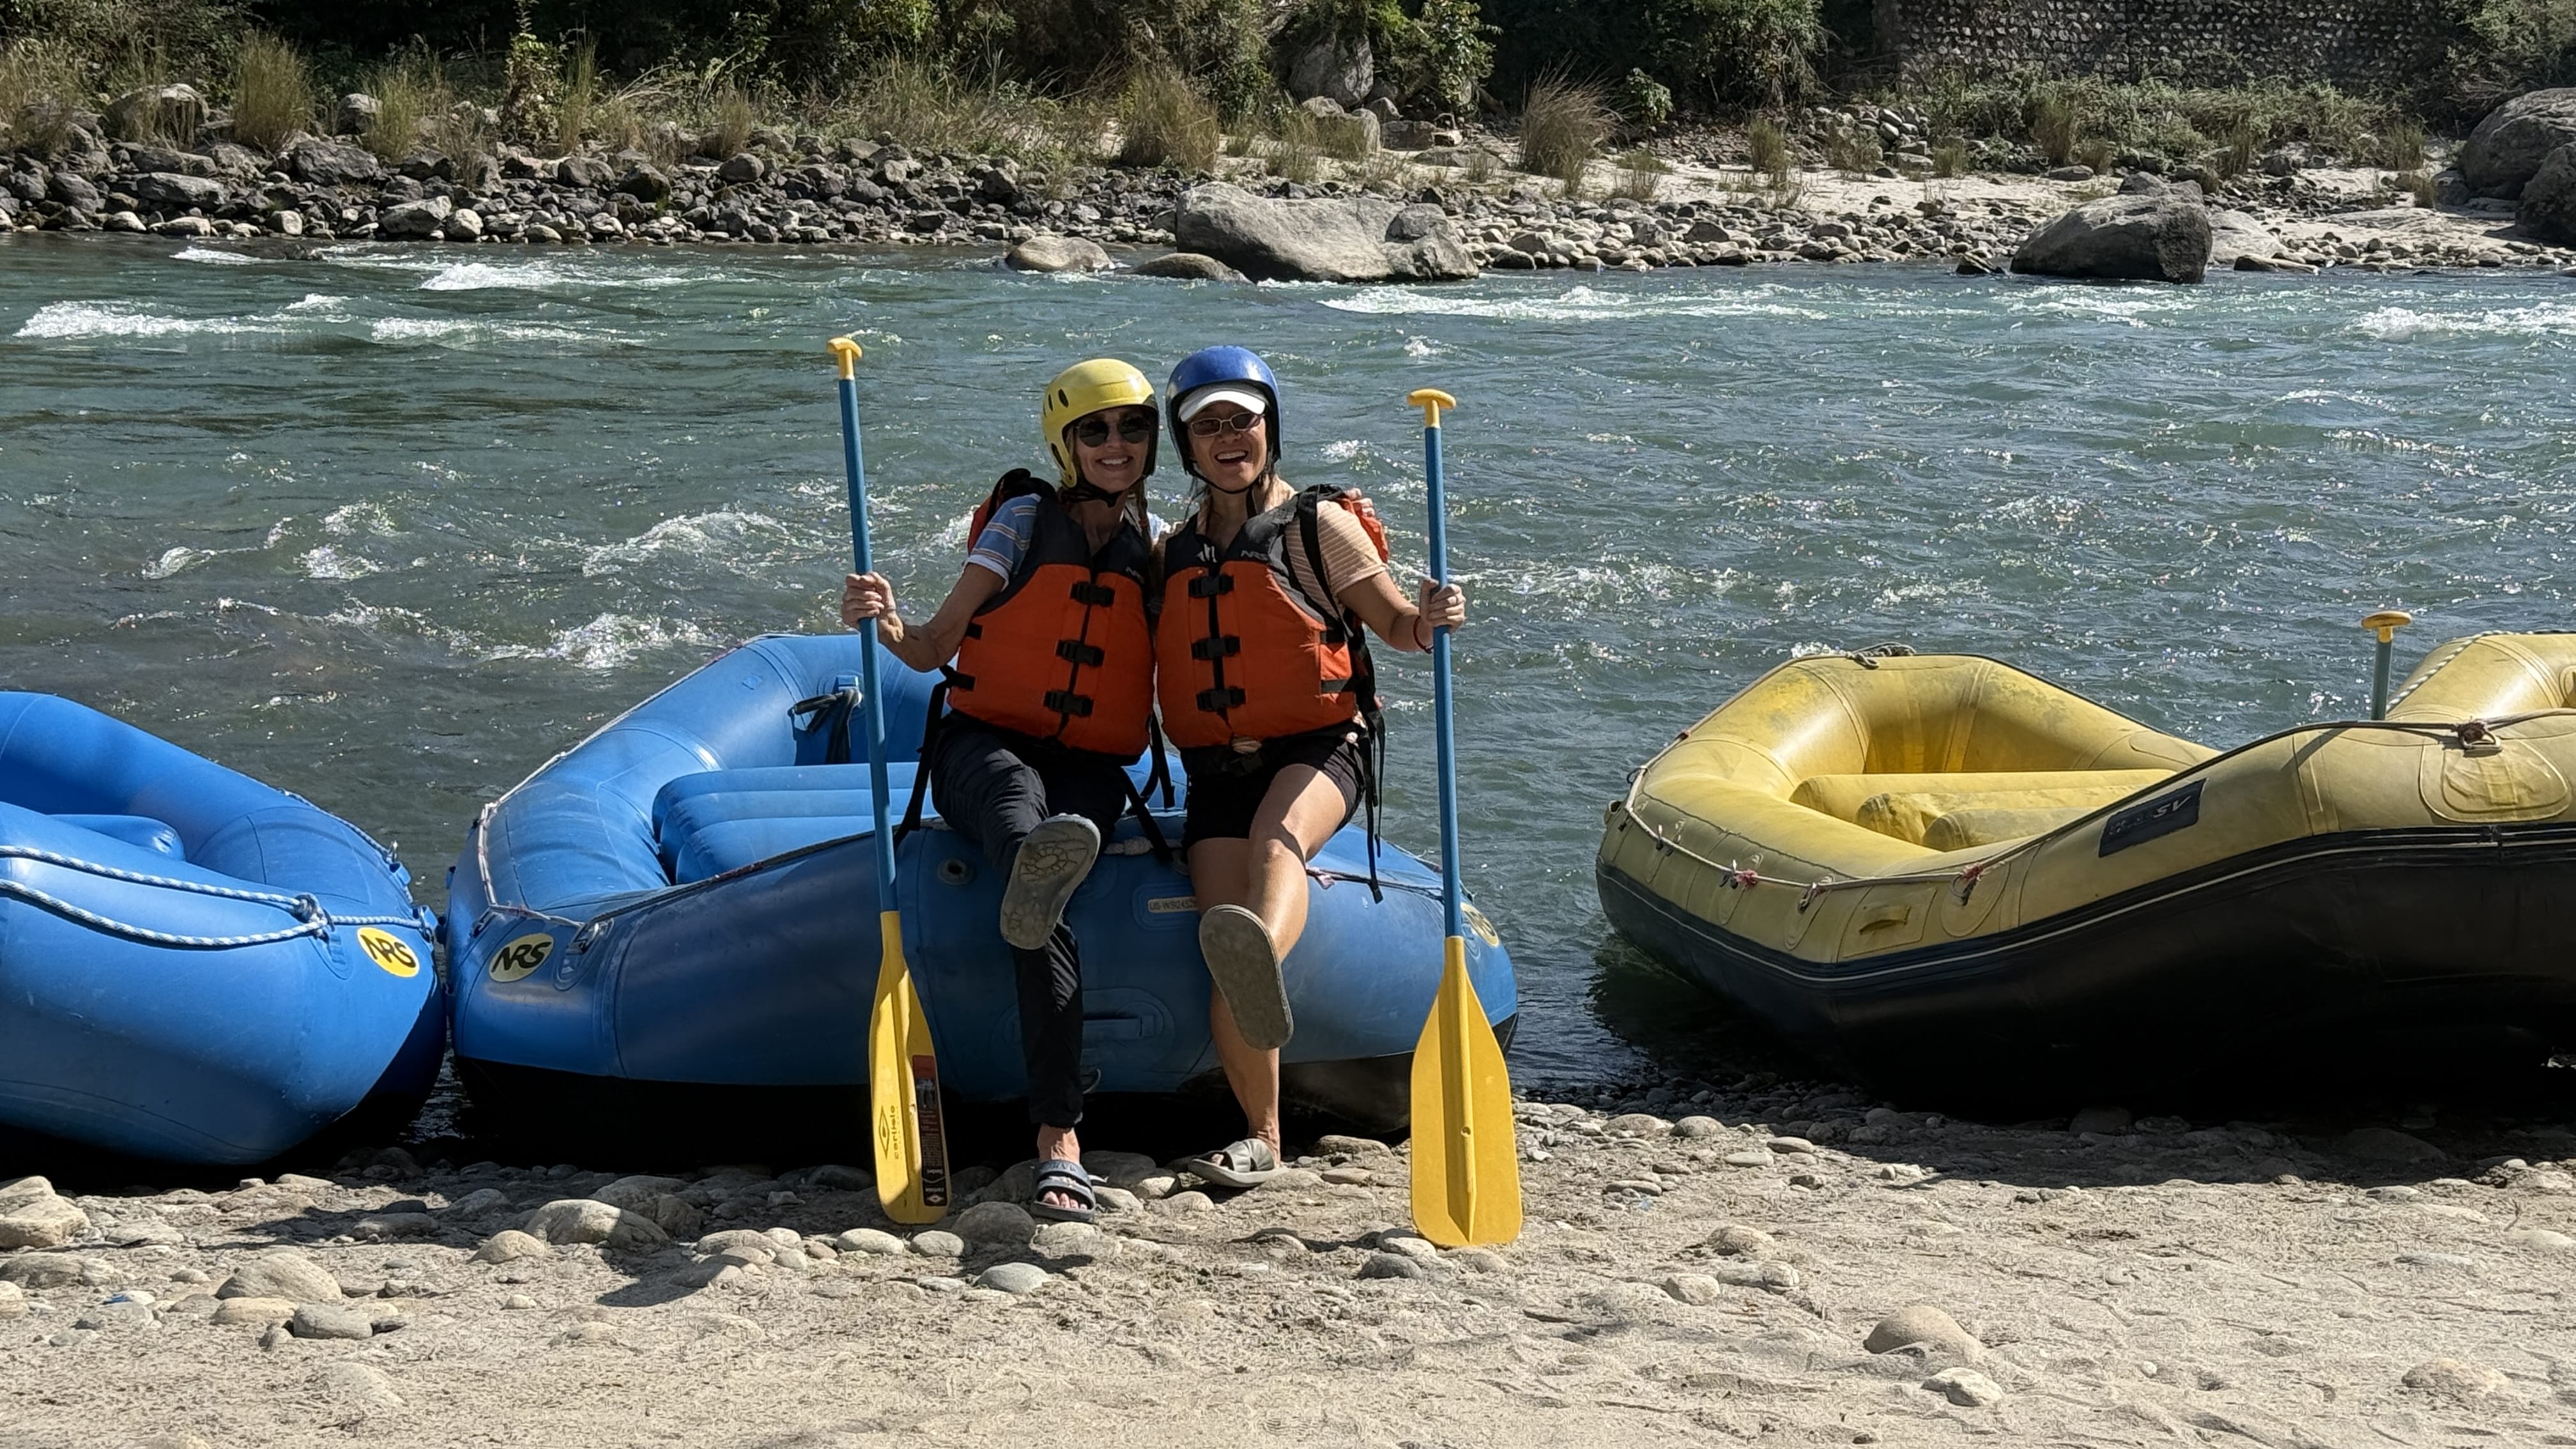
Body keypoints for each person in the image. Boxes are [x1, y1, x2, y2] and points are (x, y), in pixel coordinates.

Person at [839, 358, 1165, 1224]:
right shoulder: (1023, 521)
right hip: (984, 745)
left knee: (1049, 864)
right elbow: (930, 645)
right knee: (1032, 851)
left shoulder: (1158, 546)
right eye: (1094, 430)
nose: (1115, 445)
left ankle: (1039, 875)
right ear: (1064, 444)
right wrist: (883, 614)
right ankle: (1060, 1143)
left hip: (1092, 770)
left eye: (1132, 428)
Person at [1153, 346, 1466, 1187]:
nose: (1229, 439)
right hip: (1219, 765)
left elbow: (1399, 627)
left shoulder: (1316, 526)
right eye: (1208, 426)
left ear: (1270, 428)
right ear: (1187, 446)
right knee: (1224, 955)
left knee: (1276, 844)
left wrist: (1433, 615)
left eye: (1243, 422)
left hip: (1323, 745)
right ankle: (1263, 1139)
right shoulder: (1172, 551)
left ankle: (1262, 940)